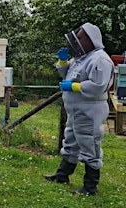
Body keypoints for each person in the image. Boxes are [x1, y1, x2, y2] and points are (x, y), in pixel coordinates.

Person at [44, 22, 113, 196]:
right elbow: (68, 73)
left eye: (80, 38)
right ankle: (62, 175)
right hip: (75, 110)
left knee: (90, 144)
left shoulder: (100, 59)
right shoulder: (82, 57)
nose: (76, 41)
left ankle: (90, 187)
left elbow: (98, 86)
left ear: (91, 40)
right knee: (71, 141)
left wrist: (73, 87)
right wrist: (62, 61)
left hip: (90, 111)